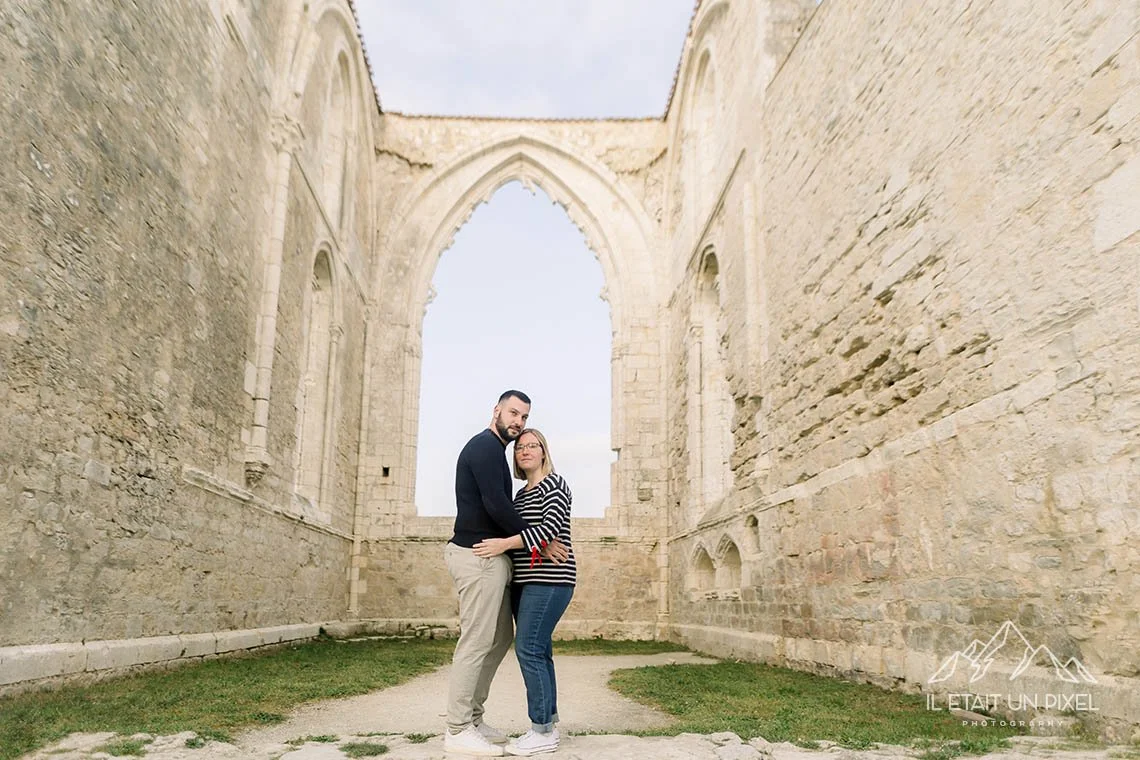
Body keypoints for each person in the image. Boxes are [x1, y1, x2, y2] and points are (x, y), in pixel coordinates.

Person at [443, 391, 568, 757]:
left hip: (493, 560)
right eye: (513, 412)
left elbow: (512, 510)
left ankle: (474, 718)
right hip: (476, 555)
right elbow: (495, 505)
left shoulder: (497, 454)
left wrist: (524, 542)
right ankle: (457, 727)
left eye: (525, 417)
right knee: (477, 641)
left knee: (498, 640)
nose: (518, 421)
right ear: (496, 410)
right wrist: (540, 544)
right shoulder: (484, 447)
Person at [473, 428, 576, 757]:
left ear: (544, 452)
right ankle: (549, 723)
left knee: (528, 649)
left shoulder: (555, 485)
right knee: (540, 651)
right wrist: (539, 545)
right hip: (525, 581)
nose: (526, 451)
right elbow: (534, 536)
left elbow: (547, 529)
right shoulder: (520, 495)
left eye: (533, 446)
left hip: (551, 581)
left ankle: (542, 730)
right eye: (520, 448)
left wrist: (507, 543)